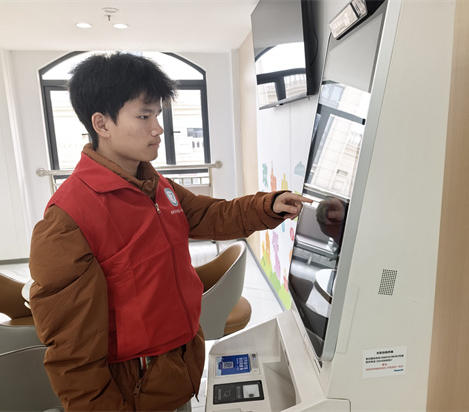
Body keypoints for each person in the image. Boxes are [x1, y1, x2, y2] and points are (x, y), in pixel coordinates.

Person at [29, 52, 311, 412]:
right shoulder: (69, 218)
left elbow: (209, 214)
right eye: (143, 116)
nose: (158, 128)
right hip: (132, 391)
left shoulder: (157, 185)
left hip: (178, 371)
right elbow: (72, 352)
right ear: (102, 124)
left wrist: (267, 206)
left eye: (157, 115)